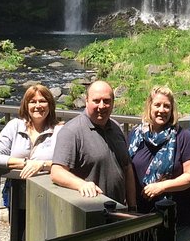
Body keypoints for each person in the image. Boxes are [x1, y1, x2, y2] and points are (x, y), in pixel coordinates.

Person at [128, 86, 190, 241]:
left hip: (175, 213)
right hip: (141, 211)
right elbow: (127, 168)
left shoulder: (182, 137)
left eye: (167, 106)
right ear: (149, 106)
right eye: (157, 105)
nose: (162, 110)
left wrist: (161, 186)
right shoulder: (135, 135)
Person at [0, 84, 62, 241]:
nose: (38, 106)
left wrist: (42, 164)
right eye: (32, 101)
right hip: (17, 199)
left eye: (42, 101)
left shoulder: (59, 131)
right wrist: (26, 163)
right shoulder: (14, 126)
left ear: (50, 104)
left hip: (48, 199)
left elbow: (65, 162)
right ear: (25, 105)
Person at [50, 80, 136, 209]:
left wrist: (133, 207)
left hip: (118, 211)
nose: (101, 106)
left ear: (113, 103)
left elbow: (127, 167)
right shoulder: (72, 131)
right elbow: (57, 172)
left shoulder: (116, 127)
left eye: (106, 101)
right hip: (89, 212)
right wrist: (81, 184)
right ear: (86, 101)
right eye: (96, 101)